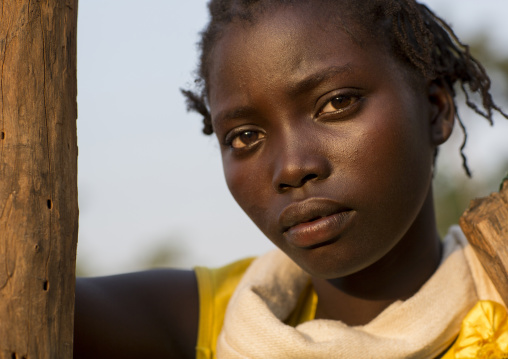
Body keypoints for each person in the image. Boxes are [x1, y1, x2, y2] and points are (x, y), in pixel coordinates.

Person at [73, 1, 508, 358]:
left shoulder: (499, 305)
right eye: (245, 137)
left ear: (436, 109)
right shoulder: (201, 321)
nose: (293, 168)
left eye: (336, 103)